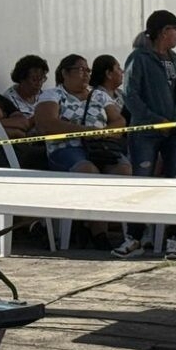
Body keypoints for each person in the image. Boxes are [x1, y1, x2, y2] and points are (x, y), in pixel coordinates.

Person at [115, 9, 176, 260]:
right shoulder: (138, 58)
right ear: (162, 32)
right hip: (147, 132)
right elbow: (130, 94)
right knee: (142, 182)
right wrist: (154, 119)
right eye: (174, 29)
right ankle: (135, 237)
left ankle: (173, 239)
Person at [36, 54, 130, 249]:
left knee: (123, 169)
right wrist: (84, 132)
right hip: (67, 148)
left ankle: (92, 222)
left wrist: (105, 133)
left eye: (88, 70)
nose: (86, 74)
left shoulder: (99, 95)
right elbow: (46, 124)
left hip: (100, 147)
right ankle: (99, 231)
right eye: (80, 70)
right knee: (88, 171)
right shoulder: (52, 95)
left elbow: (119, 121)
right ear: (65, 73)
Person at [0, 55, 51, 169]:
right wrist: (39, 117)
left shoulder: (45, 96)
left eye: (42, 79)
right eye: (34, 79)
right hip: (25, 146)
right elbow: (20, 128)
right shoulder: (9, 98)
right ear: (22, 78)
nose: (39, 83)